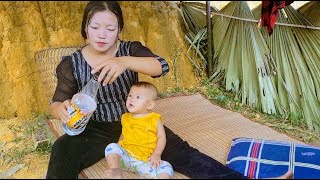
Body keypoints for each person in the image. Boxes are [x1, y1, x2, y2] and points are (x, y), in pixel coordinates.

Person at [46, 1, 293, 179]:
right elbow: (57, 102)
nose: (102, 35)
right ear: (85, 27)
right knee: (63, 149)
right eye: (95, 27)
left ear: (119, 29)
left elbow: (160, 66)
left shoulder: (129, 49)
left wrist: (124, 62)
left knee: (184, 154)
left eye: (110, 29)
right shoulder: (71, 63)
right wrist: (63, 111)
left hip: (137, 120)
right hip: (96, 128)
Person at [104, 81, 173, 179]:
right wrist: (119, 147)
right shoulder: (125, 117)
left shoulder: (154, 119)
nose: (131, 99)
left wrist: (156, 154)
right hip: (125, 159)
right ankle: (116, 170)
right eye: (130, 95)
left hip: (145, 162)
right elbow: (124, 134)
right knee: (111, 147)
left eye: (137, 97)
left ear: (149, 105)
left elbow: (161, 137)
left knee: (167, 167)